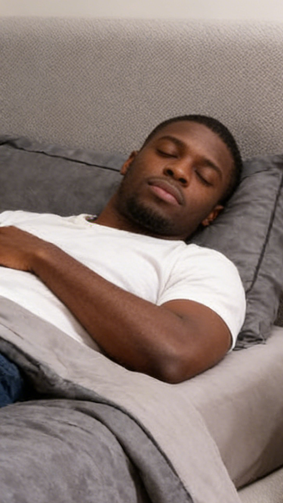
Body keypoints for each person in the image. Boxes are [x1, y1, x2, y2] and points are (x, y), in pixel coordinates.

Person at [0, 114, 246, 406]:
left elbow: (175, 353)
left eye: (204, 176)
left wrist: (41, 255)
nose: (179, 170)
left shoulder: (202, 265)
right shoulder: (18, 221)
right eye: (167, 152)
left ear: (211, 215)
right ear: (130, 162)